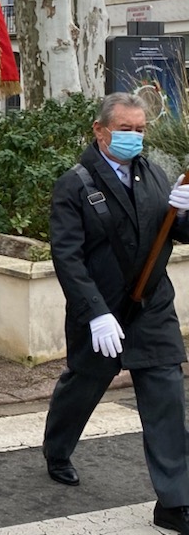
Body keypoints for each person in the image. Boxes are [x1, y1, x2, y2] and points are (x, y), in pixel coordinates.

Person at [43, 91, 189, 534]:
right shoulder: (75, 183)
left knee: (166, 398)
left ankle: (175, 502)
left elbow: (172, 233)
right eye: (125, 130)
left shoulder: (155, 174)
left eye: (141, 130)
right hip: (102, 309)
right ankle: (57, 449)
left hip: (151, 306)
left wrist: (186, 215)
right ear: (100, 130)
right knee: (83, 385)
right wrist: (95, 313)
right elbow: (67, 257)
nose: (134, 138)